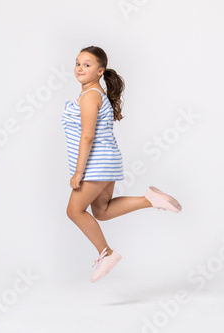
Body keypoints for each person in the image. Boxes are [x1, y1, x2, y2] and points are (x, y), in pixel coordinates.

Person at [61, 46, 182, 283]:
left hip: (96, 163)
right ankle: (150, 200)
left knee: (74, 211)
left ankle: (106, 254)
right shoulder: (96, 94)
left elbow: (87, 136)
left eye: (87, 64)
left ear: (100, 71)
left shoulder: (90, 97)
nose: (80, 68)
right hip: (108, 160)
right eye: (77, 63)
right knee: (101, 211)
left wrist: (78, 172)